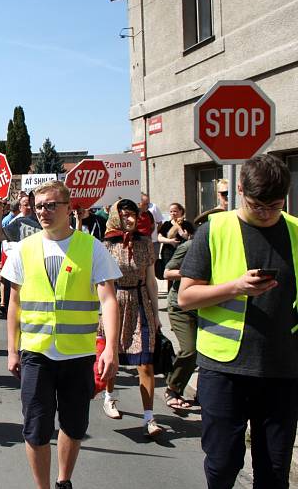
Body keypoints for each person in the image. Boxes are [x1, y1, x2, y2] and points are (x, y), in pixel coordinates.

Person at [178, 154, 298, 489]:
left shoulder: (295, 231)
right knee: (223, 463)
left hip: (283, 368)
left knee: (274, 470)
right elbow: (186, 297)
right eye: (257, 204)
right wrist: (236, 287)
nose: (265, 213)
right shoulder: (213, 230)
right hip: (225, 368)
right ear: (239, 189)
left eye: (274, 205)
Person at [4, 180, 120, 489]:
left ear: (69, 208)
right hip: (36, 353)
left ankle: (63, 481)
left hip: (78, 354)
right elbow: (14, 303)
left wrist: (110, 347)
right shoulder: (24, 248)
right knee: (36, 429)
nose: (43, 211)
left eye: (51, 205)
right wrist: (12, 350)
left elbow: (108, 299)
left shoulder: (90, 247)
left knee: (74, 425)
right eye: (39, 206)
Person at [100, 199, 164, 437]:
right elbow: (100, 283)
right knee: (112, 354)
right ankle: (109, 396)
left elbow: (151, 281)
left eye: (133, 215)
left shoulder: (145, 244)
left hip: (140, 302)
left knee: (145, 362)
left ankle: (149, 418)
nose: (129, 219)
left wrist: (156, 314)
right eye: (124, 215)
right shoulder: (105, 246)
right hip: (115, 302)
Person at [162, 209, 216, 409]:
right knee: (189, 350)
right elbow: (167, 272)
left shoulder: (226, 246)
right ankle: (173, 388)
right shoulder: (190, 246)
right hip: (181, 306)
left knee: (208, 353)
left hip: (207, 305)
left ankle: (204, 394)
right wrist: (191, 273)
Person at [158, 203, 194, 281]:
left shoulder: (187, 224)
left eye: (175, 211)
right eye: (171, 211)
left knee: (182, 273)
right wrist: (170, 241)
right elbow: (159, 238)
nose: (173, 213)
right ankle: (170, 292)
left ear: (181, 211)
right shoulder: (166, 224)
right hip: (168, 252)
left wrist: (185, 236)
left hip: (183, 253)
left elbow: (193, 237)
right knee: (169, 274)